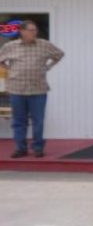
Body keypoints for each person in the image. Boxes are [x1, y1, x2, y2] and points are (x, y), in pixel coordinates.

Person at [0, 20, 64, 158]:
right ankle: (20, 148)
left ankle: (38, 148)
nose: (34, 32)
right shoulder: (11, 46)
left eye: (35, 30)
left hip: (38, 89)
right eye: (31, 30)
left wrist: (47, 67)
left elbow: (59, 54)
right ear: (22, 32)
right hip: (17, 89)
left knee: (38, 120)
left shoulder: (44, 45)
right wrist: (10, 70)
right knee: (18, 120)